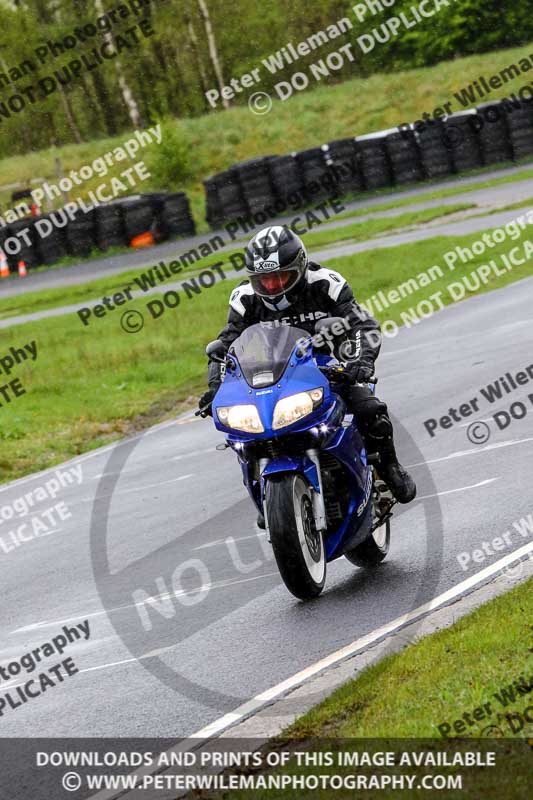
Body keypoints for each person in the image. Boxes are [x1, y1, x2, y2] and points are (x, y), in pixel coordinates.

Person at [199, 226, 416, 508]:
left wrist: (360, 363)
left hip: (330, 367)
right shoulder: (243, 298)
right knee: (242, 434)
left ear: (299, 266)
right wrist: (216, 387)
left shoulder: (326, 284)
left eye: (280, 277)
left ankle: (390, 467)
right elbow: (225, 345)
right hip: (273, 375)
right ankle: (264, 495)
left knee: (370, 410)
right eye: (264, 280)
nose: (273, 287)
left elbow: (363, 325)